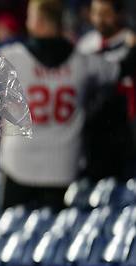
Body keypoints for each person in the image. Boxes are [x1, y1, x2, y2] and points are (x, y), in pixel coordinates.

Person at [0, 0, 136, 209]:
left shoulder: (11, 58)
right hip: (63, 167)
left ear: (37, 21)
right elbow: (122, 68)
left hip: (19, 166)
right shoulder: (83, 62)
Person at [77, 0, 136, 180]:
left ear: (119, 14)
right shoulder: (85, 44)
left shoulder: (130, 42)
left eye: (106, 14)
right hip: (94, 129)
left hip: (127, 127)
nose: (99, 19)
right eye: (96, 13)